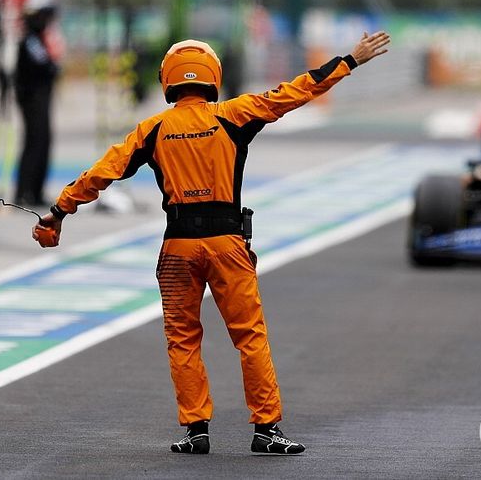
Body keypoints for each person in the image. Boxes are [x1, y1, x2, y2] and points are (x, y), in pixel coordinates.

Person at [32, 30, 391, 455]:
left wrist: (59, 211)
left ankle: (195, 430)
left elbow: (101, 172)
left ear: (168, 80)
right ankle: (266, 430)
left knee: (183, 339)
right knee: (250, 337)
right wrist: (349, 60)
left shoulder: (152, 129)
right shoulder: (235, 114)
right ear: (212, 77)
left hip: (178, 248)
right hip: (227, 245)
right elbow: (295, 91)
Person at [14, 0, 60, 207]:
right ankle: (24, 191)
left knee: (43, 143)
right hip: (32, 100)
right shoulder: (30, 40)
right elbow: (46, 66)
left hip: (42, 99)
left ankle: (36, 191)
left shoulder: (39, 39)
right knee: (34, 143)